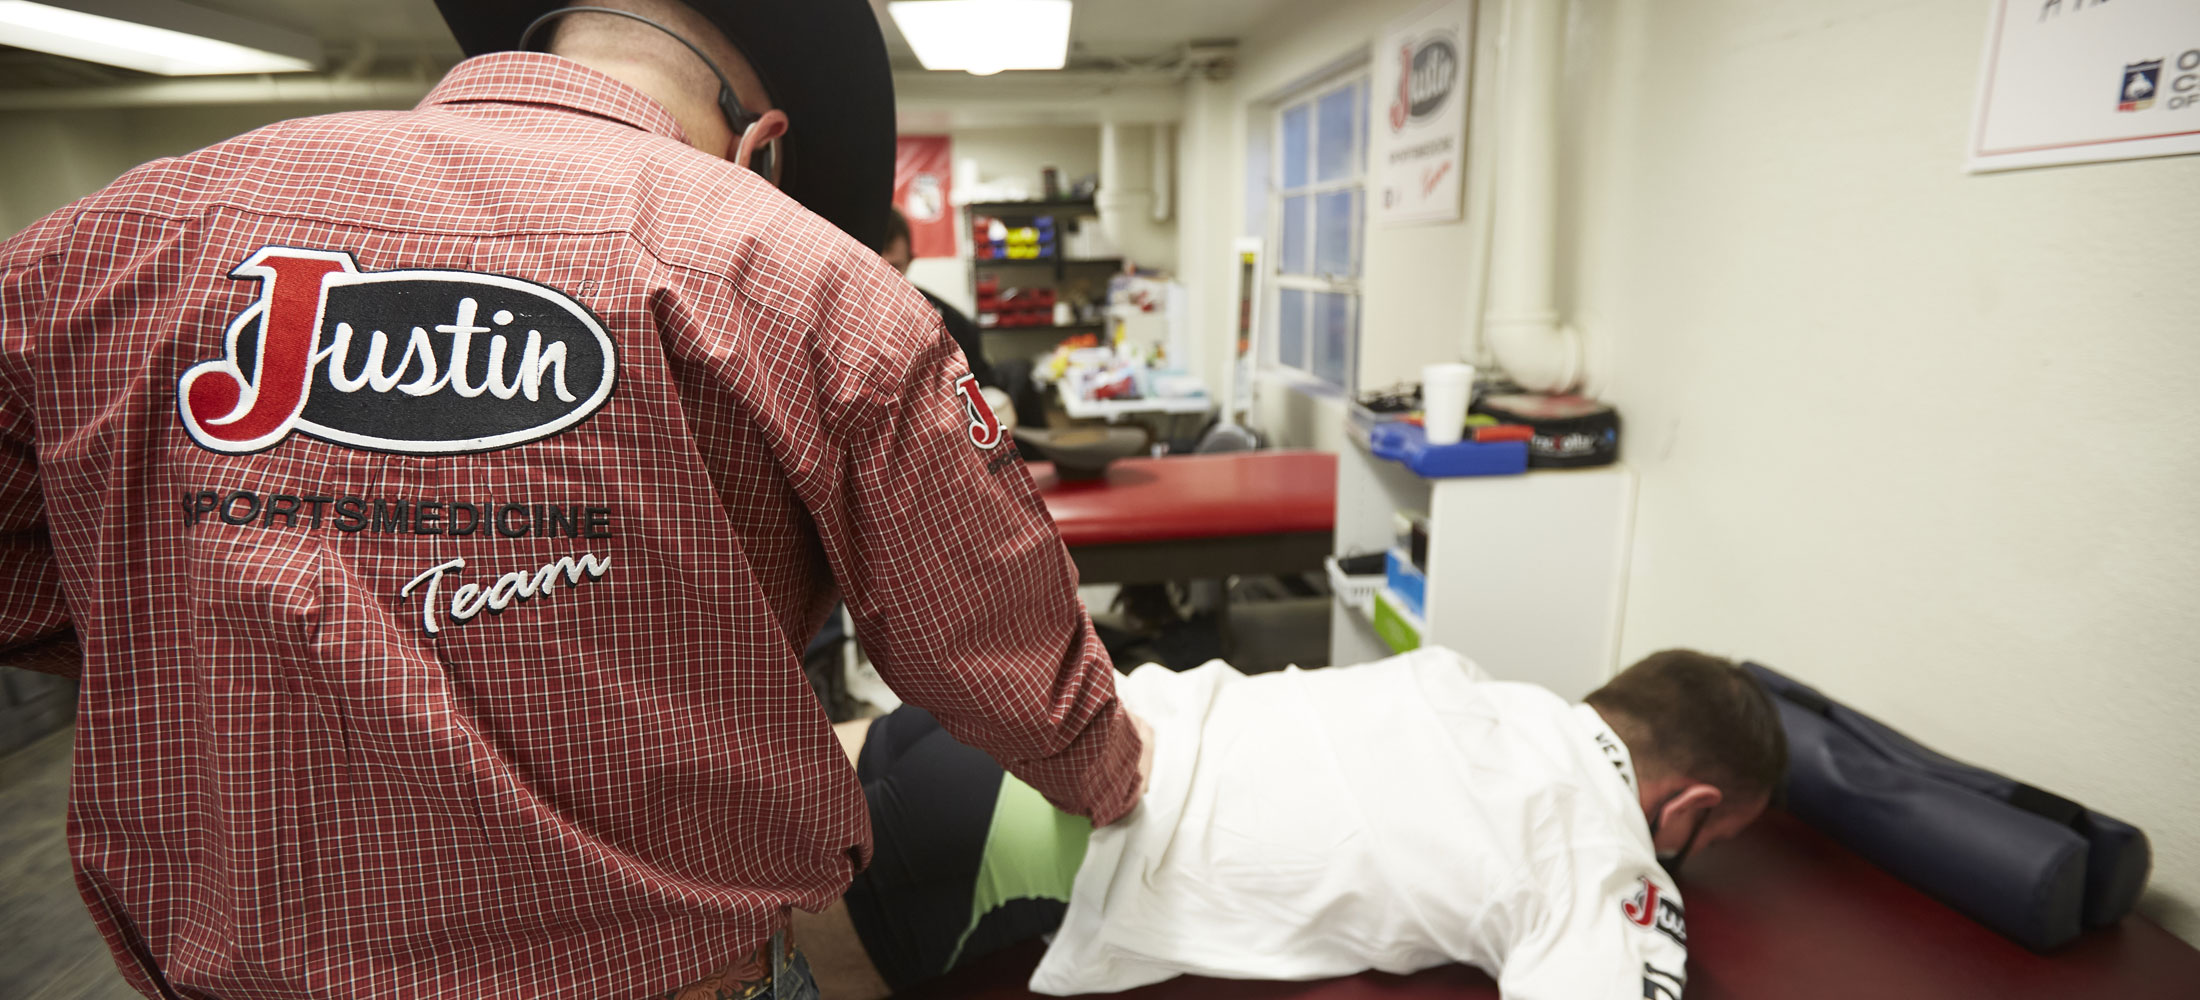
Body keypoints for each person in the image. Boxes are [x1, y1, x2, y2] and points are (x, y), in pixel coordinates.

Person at [0, 2, 1149, 998]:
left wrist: (199, 612)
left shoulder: (105, 244)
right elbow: (999, 653)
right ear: (764, 146)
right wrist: (1127, 783)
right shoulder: (807, 280)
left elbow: (21, 581)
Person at [791, 647, 1789, 1000]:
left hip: (1013, 722)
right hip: (1039, 837)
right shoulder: (1609, 856)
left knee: (655, 868)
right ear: (1689, 806)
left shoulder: (1489, 686)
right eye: (1717, 841)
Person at [881, 207, 995, 387]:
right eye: (876, 266)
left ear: (910, 261)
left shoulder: (948, 322)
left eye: (895, 268)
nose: (884, 277)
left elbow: (981, 384)